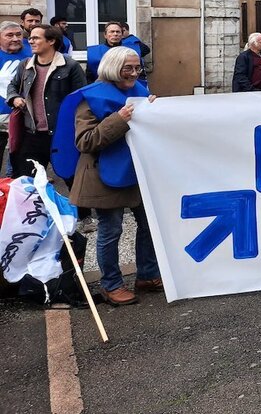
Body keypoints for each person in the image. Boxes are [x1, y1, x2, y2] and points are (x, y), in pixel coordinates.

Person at [54, 46, 161, 305]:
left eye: (137, 68)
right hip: (103, 173)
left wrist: (156, 111)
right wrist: (119, 119)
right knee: (111, 230)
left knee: (149, 226)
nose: (134, 73)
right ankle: (111, 284)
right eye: (128, 68)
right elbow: (86, 142)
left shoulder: (140, 91)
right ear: (113, 68)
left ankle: (146, 274)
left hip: (137, 171)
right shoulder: (89, 97)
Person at [6, 25, 86, 178]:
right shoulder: (25, 65)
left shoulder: (70, 66)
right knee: (28, 184)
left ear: (51, 41)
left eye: (36, 38)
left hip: (62, 135)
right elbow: (13, 86)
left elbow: (81, 98)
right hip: (32, 134)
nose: (30, 41)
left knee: (72, 180)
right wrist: (14, 98)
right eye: (30, 38)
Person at [0, 22, 31, 167]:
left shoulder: (32, 53)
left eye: (18, 35)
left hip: (25, 113)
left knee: (19, 152)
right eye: (9, 35)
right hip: (1, 113)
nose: (15, 39)